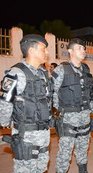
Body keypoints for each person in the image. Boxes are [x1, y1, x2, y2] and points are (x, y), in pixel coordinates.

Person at [0, 34, 52, 172]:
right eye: (43, 49)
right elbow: (5, 101)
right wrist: (5, 121)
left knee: (41, 168)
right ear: (31, 50)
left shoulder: (42, 73)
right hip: (26, 134)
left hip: (43, 133)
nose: (47, 52)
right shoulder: (16, 73)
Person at [52, 38, 93, 173]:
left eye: (84, 48)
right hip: (68, 118)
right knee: (65, 151)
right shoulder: (61, 69)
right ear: (70, 51)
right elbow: (52, 91)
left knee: (83, 147)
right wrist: (59, 112)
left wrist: (91, 111)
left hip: (84, 117)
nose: (83, 51)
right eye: (79, 48)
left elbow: (90, 92)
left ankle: (83, 170)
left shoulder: (86, 70)